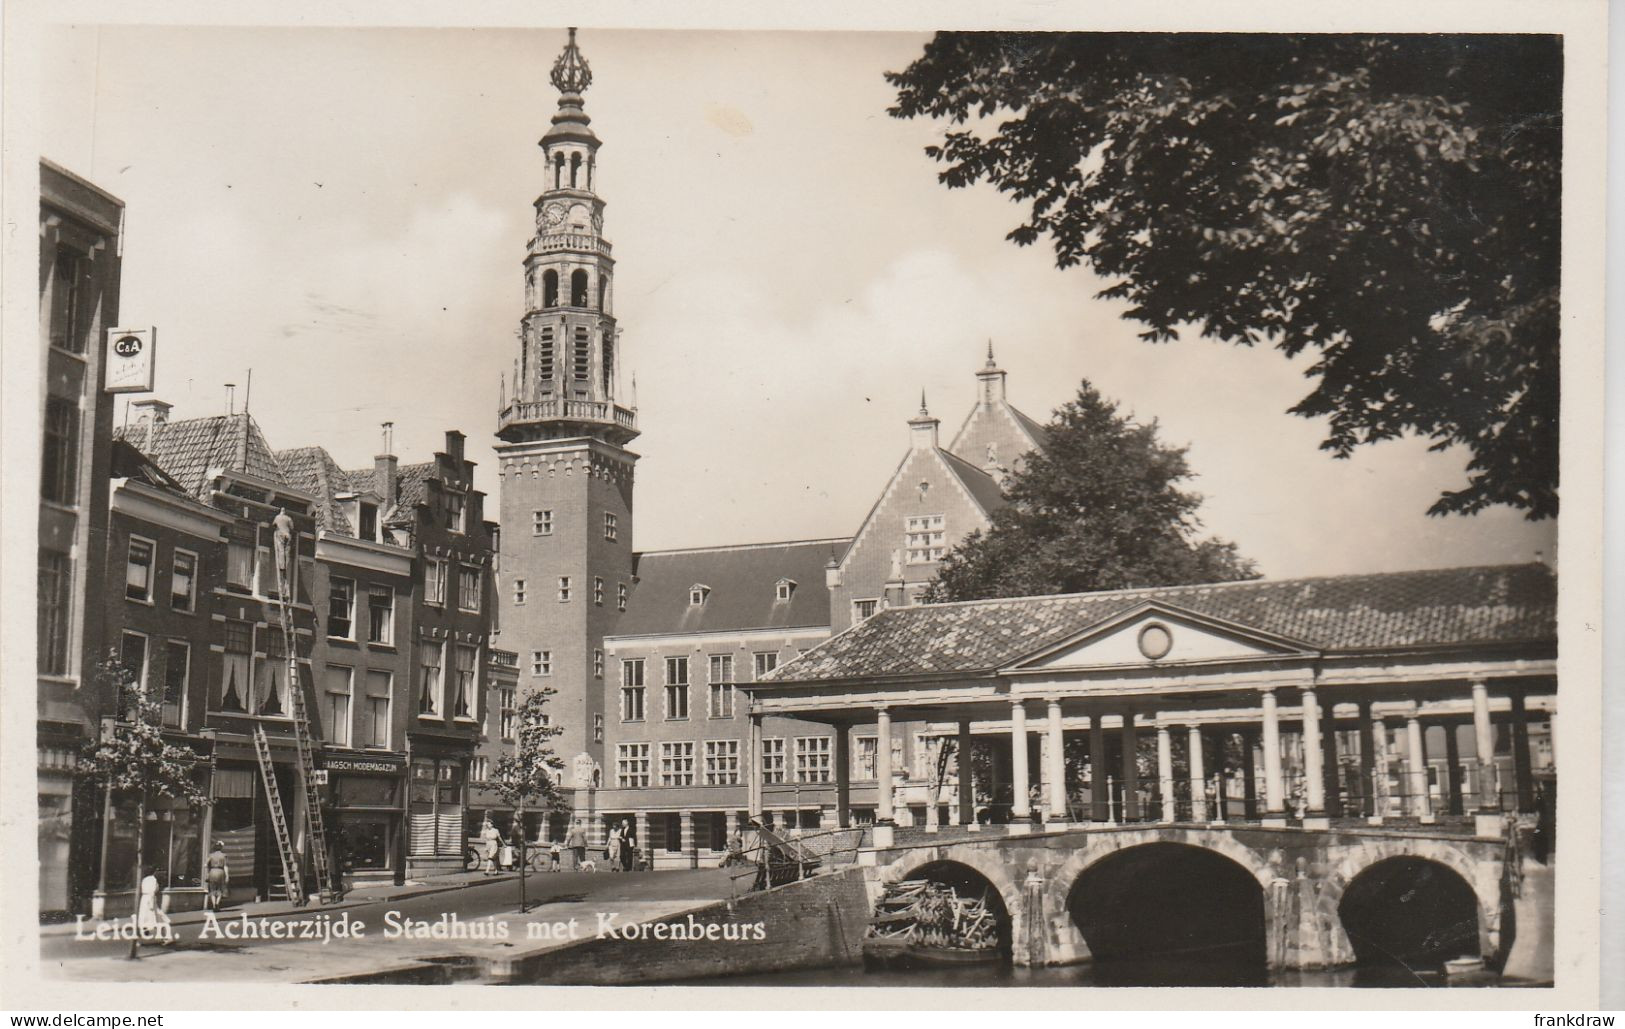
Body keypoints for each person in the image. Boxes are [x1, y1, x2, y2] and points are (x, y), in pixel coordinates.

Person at [136, 865, 174, 946]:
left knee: (145, 919)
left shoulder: (144, 879)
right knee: (158, 918)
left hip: (144, 900)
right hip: (150, 900)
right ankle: (167, 937)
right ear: (153, 872)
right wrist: (151, 904)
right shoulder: (153, 879)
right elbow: (152, 891)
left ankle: (139, 939)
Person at [204, 842, 229, 911]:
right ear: (221, 848)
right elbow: (225, 866)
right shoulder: (224, 855)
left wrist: (208, 871)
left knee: (212, 889)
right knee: (220, 889)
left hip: (212, 872)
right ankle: (217, 904)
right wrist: (227, 875)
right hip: (220, 872)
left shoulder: (210, 855)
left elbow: (205, 865)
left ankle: (214, 905)